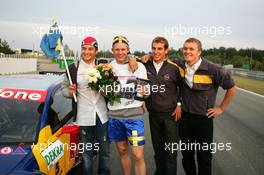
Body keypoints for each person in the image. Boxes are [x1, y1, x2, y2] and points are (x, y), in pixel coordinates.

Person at [177, 38, 237, 175]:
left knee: (204, 157)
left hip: (204, 119)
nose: (187, 51)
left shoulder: (213, 69)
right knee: (187, 156)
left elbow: (232, 88)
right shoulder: (180, 65)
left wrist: (221, 108)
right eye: (185, 48)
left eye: (191, 49)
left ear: (199, 52)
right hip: (185, 118)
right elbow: (161, 59)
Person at [61, 36, 110, 175]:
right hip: (83, 117)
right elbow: (63, 89)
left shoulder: (103, 66)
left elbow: (111, 89)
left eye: (90, 49)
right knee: (87, 153)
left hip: (102, 115)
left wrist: (105, 89)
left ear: (96, 51)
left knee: (104, 151)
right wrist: (70, 92)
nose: (86, 52)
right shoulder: (72, 69)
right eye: (84, 48)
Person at [107, 35, 148, 175]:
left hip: (134, 117)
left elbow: (146, 91)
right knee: (123, 151)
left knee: (138, 155)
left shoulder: (139, 66)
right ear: (112, 50)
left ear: (128, 50)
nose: (120, 52)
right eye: (117, 49)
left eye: (123, 49)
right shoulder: (107, 67)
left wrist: (145, 92)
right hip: (115, 117)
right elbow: (104, 93)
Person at [142, 36, 182, 175]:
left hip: (170, 115)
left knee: (170, 153)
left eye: (160, 49)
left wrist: (179, 104)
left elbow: (183, 88)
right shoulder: (144, 65)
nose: (156, 51)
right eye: (153, 48)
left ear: (166, 51)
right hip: (153, 115)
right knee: (158, 151)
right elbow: (128, 59)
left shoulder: (174, 68)